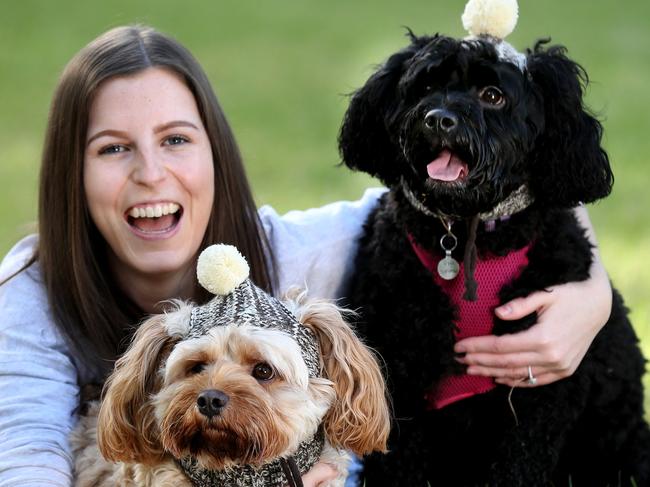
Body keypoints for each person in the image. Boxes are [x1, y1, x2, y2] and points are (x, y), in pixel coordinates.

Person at [0, 25, 612, 486]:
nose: (151, 175)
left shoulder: (300, 254)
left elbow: (484, 189)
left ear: (216, 152)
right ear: (68, 173)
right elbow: (25, 459)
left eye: (176, 140)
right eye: (112, 149)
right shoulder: (26, 298)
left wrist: (593, 296)